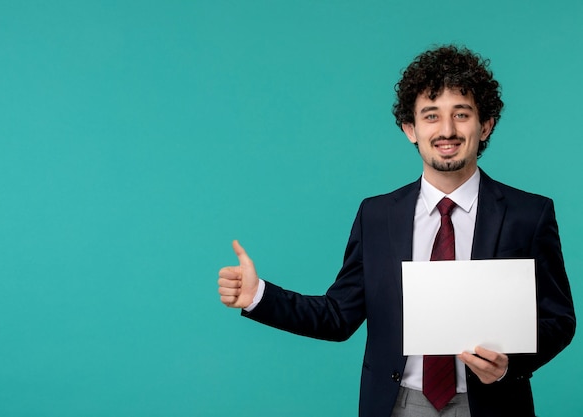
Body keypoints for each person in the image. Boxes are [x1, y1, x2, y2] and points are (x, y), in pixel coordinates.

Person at [217, 45, 576, 417]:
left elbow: (559, 320)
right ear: (411, 129)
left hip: (493, 403)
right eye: (431, 116)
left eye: (462, 114)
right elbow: (339, 316)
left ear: (485, 125)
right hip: (397, 404)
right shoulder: (376, 215)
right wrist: (258, 295)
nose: (447, 130)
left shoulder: (528, 215)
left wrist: (509, 364)